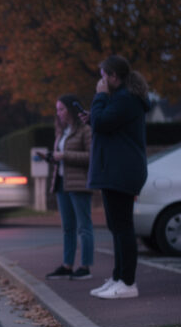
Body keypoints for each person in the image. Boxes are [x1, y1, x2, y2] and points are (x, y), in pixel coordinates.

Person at [81, 54, 150, 300]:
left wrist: (99, 99)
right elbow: (104, 123)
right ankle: (118, 277)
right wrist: (94, 116)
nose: (100, 81)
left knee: (122, 227)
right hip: (116, 170)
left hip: (121, 171)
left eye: (103, 76)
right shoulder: (121, 100)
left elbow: (103, 123)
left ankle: (128, 282)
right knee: (116, 226)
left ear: (113, 76)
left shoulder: (126, 100)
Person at [41, 94, 94, 281]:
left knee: (84, 227)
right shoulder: (62, 131)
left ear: (71, 109)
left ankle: (85, 266)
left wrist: (65, 156)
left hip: (79, 183)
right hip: (62, 182)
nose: (59, 113)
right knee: (68, 227)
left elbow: (90, 157)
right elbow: (61, 155)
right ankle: (67, 265)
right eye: (57, 109)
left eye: (61, 109)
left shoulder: (85, 130)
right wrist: (52, 157)